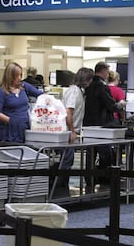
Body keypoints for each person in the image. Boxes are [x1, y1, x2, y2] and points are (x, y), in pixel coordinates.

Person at [83, 62, 125, 185]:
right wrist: (120, 105)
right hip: (102, 125)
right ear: (103, 71)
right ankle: (104, 178)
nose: (107, 74)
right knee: (105, 153)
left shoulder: (88, 85)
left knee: (90, 154)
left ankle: (89, 179)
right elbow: (111, 105)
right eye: (107, 71)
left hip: (89, 124)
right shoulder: (102, 86)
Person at [54, 67, 94, 196]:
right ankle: (58, 189)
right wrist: (72, 131)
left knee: (68, 161)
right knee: (66, 161)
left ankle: (61, 187)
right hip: (68, 131)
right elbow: (68, 112)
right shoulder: (74, 92)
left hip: (71, 130)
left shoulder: (78, 92)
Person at [0, 62, 42, 144]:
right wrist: (12, 121)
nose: (20, 78)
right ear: (10, 76)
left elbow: (40, 94)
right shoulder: (2, 92)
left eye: (21, 75)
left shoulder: (24, 87)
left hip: (24, 128)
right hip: (9, 131)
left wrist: (47, 99)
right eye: (17, 76)